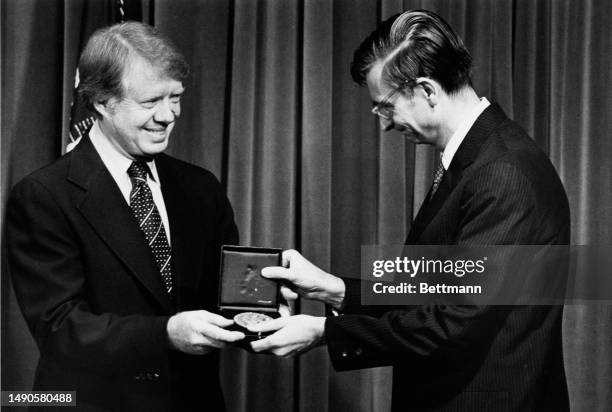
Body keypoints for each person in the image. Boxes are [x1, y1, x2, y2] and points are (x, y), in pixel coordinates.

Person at [249, 10, 570, 411]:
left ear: (427, 91)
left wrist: (324, 331)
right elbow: (437, 286)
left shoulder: (502, 172)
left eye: (386, 107)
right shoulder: (480, 159)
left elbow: (454, 320)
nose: (384, 125)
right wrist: (334, 288)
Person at [6, 22, 244, 411]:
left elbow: (226, 289)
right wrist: (165, 334)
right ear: (102, 101)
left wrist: (256, 307)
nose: (168, 116)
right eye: (151, 102)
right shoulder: (43, 196)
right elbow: (59, 328)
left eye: (176, 97)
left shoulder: (201, 187)